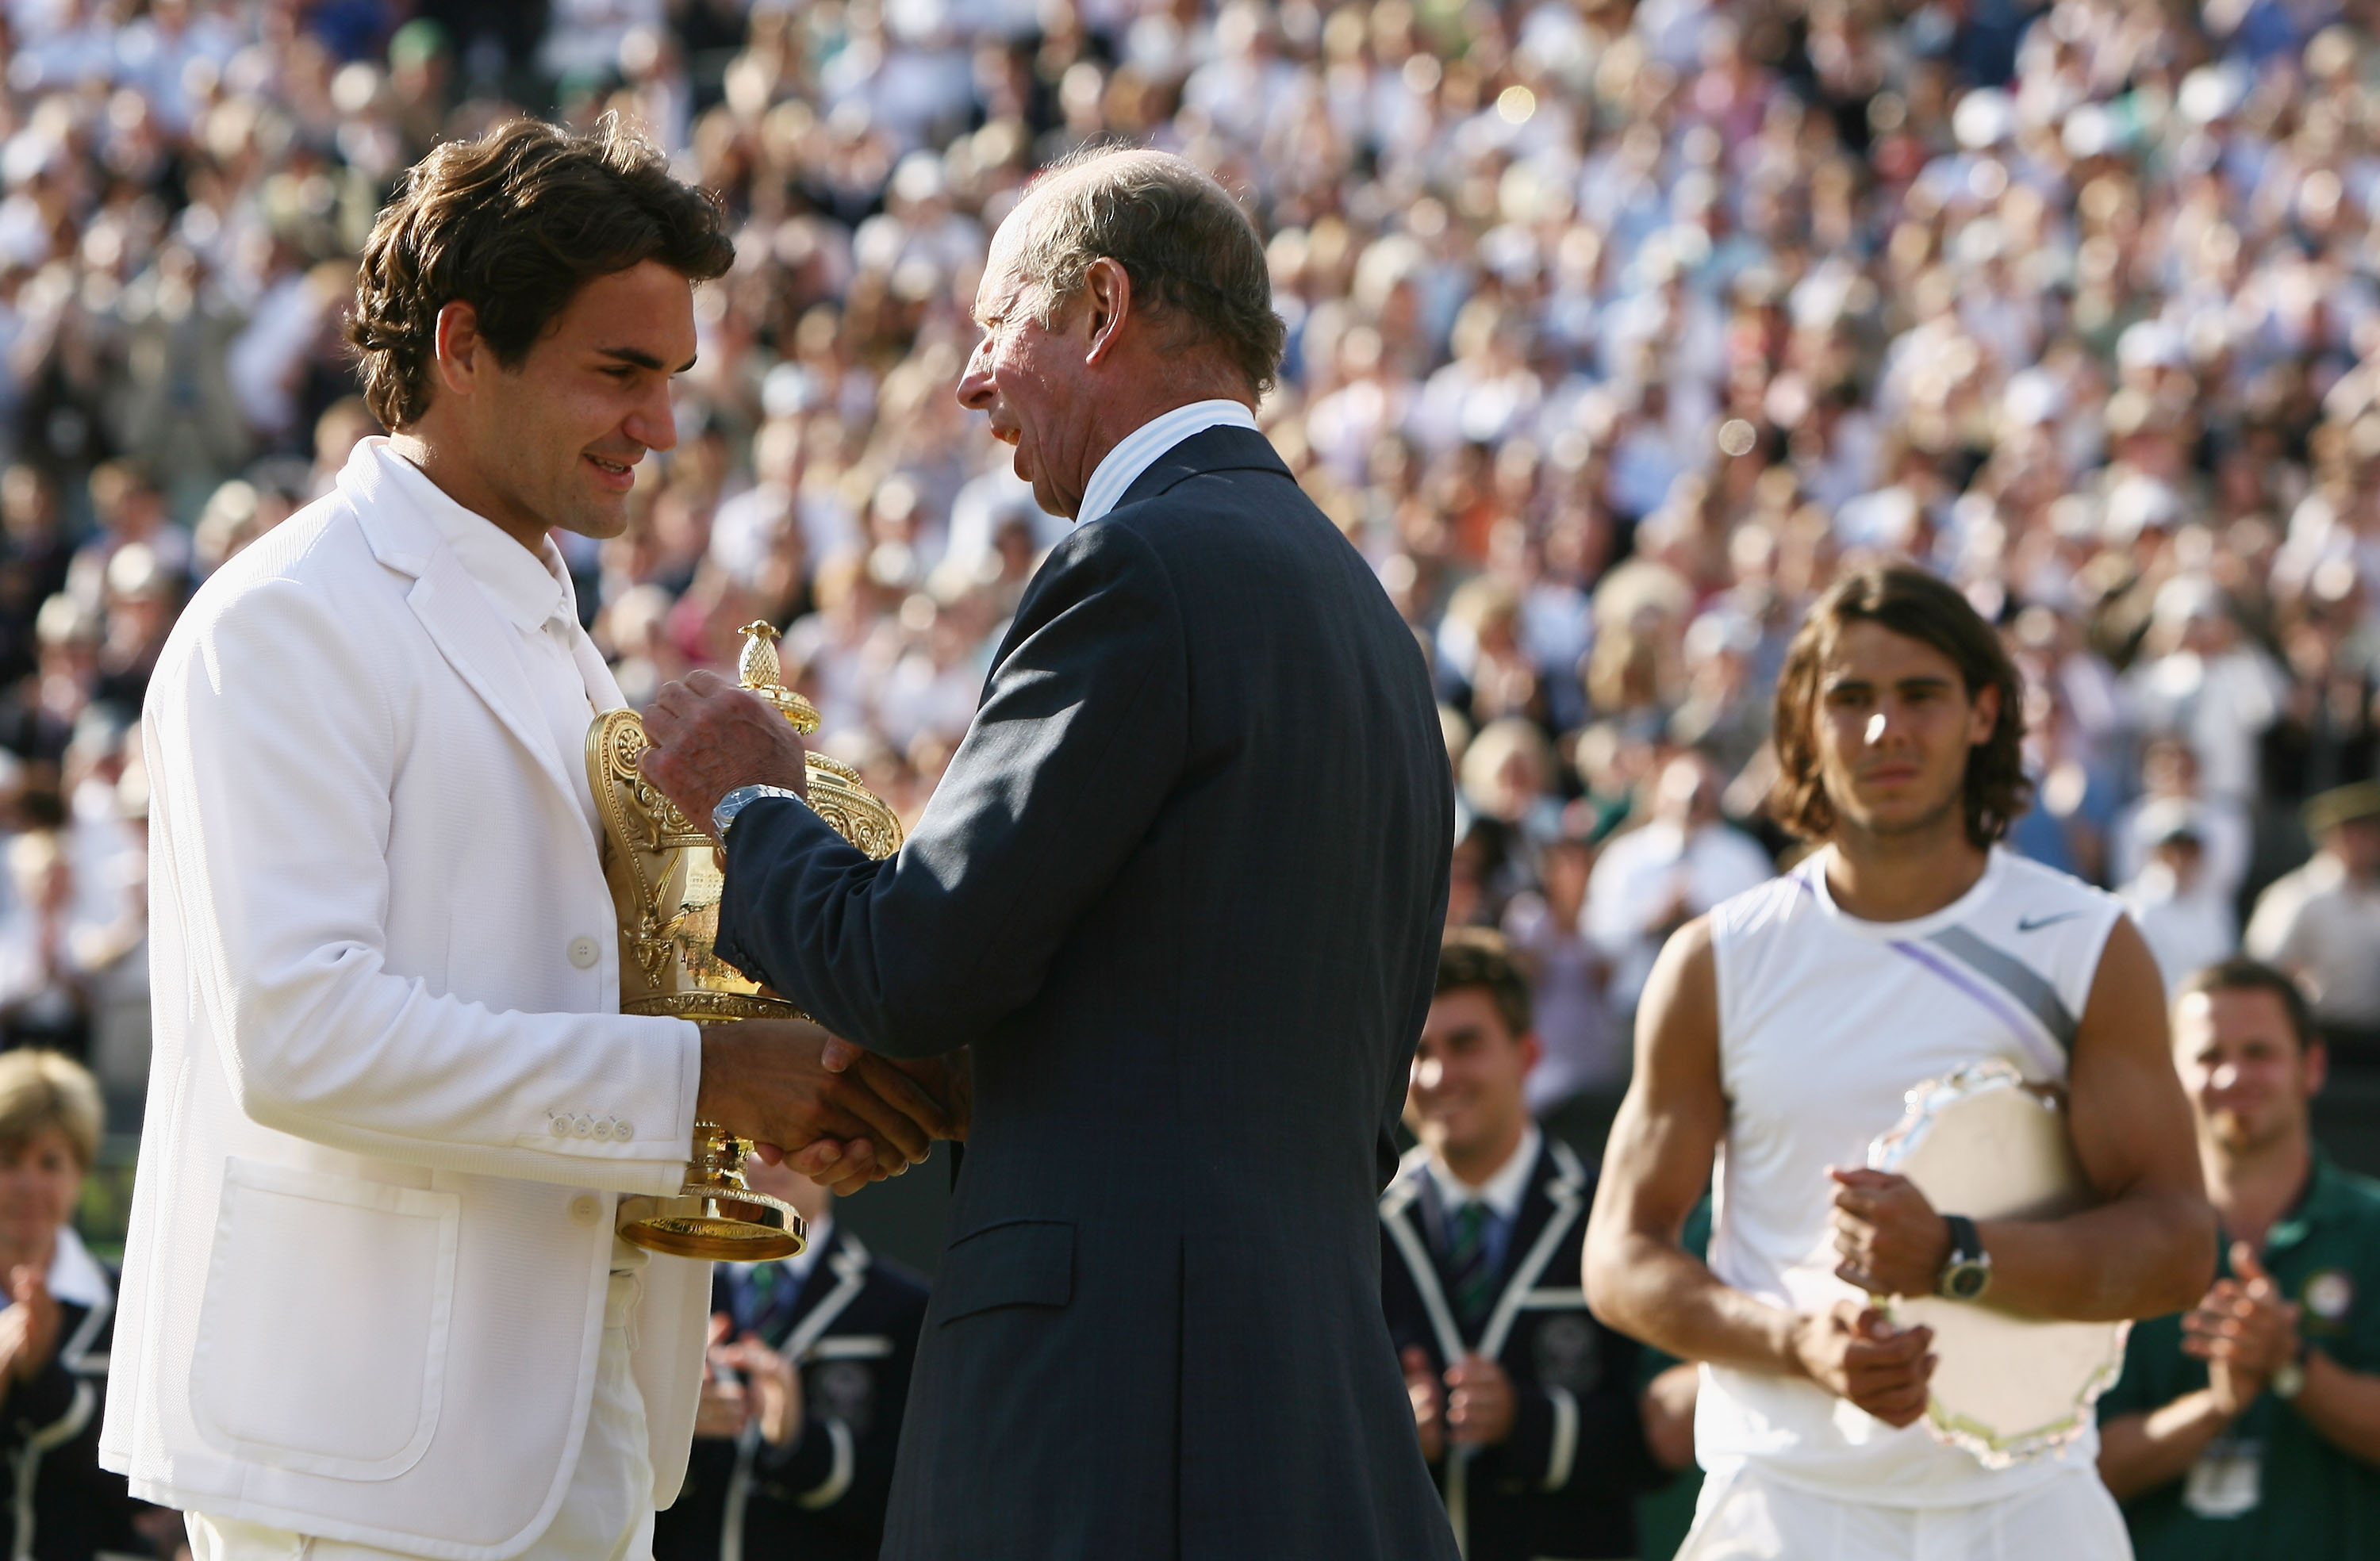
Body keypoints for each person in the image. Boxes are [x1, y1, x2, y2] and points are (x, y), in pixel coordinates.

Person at [100, 117, 953, 1561]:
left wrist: (797, 1077)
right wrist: (707, 1077)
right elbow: (304, 1034)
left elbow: (583, 1003)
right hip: (357, 1457)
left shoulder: (554, 628)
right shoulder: (286, 619)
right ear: (464, 344)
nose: (663, 425)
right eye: (621, 371)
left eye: (675, 378)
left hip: (561, 1429)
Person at [638, 147, 1459, 1559]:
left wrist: (755, 801)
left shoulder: (1134, 565)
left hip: (1114, 1416)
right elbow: (1245, 1049)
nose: (968, 383)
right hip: (1298, 1403)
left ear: (1099, 308)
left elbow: (911, 959)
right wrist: (968, 1087)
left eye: (990, 326)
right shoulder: (1368, 624)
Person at [1583, 562, 2215, 1561]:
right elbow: (1619, 1261)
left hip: (2028, 1502)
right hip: (1782, 1500)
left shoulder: (2085, 942)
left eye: (1920, 694)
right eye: (1852, 700)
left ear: (1984, 713)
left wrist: (1960, 1255)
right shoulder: (1719, 958)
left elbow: (2180, 1242)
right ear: (1805, 720)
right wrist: (1796, 1344)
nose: (1886, 731)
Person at [1382, 928, 1679, 1561]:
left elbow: (1659, 1441)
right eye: (1418, 1049)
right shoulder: (1363, 1228)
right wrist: (1391, 1429)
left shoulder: (1610, 1215)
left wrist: (1526, 1420)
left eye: (1466, 1044)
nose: (1439, 1074)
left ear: (1528, 1053)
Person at [2098, 957, 2380, 1555]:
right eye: (2208, 1057)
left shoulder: (2372, 1228)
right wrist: (2215, 1407)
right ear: (2169, 1077)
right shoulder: (2121, 1239)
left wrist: (2292, 1364)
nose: (2232, 1076)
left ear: (2315, 1066)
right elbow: (2082, 1468)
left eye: (2260, 1052)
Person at [654, 1159, 928, 1561]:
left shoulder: (903, 1309)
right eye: (748, 1133)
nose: (766, 1159)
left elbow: (913, 1503)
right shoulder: (661, 1292)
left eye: (789, 1130)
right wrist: (674, 1432)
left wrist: (800, 1442)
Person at [0, 1049, 152, 1559]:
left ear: (80, 1173)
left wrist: (43, 1377)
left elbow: (134, 1480)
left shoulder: (128, 1304)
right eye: (8, 1160)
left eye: (50, 1162)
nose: (28, 1184)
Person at [2246, 780, 2380, 1057]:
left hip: (2372, 1039)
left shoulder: (2374, 893)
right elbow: (2262, 970)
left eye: (2373, 832)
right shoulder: (2296, 896)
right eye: (2359, 832)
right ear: (2333, 835)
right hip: (2321, 1037)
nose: (2370, 842)